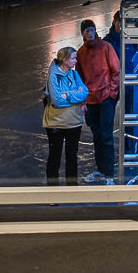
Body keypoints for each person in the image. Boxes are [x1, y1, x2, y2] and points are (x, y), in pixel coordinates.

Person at [75, 17, 121, 184]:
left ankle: (109, 174)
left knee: (106, 135)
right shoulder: (80, 53)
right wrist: (83, 101)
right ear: (83, 34)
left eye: (92, 30)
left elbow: (116, 70)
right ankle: (100, 169)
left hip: (106, 99)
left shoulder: (106, 47)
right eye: (87, 31)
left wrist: (112, 93)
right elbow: (79, 77)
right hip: (91, 100)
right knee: (97, 136)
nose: (90, 33)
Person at [42, 46, 88, 185]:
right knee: (54, 158)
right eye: (73, 58)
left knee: (72, 157)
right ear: (65, 59)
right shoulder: (53, 77)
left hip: (74, 123)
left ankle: (72, 188)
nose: (76, 60)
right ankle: (53, 191)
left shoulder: (74, 75)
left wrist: (67, 95)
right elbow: (57, 101)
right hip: (56, 123)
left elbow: (85, 92)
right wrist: (75, 95)